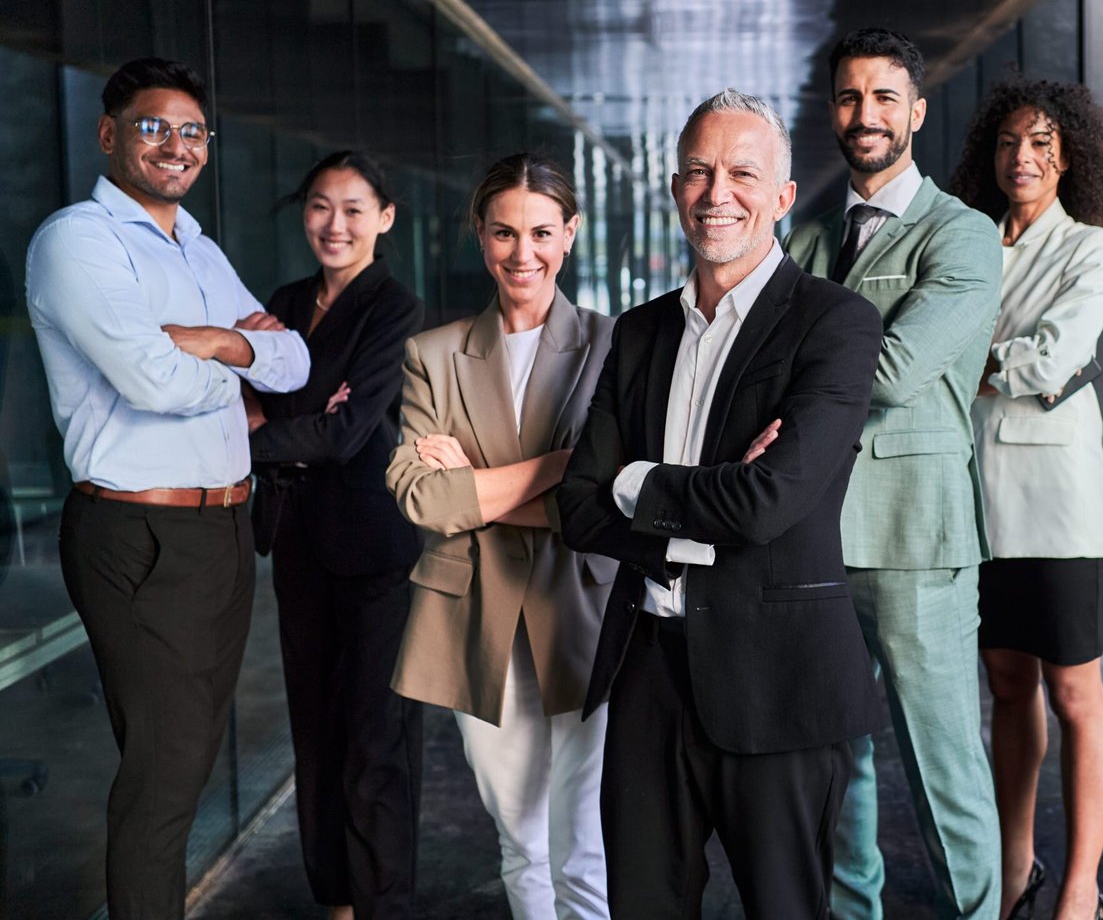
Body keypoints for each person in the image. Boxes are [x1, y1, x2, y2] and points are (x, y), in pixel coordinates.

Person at [557, 89, 884, 919]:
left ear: (781, 196)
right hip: (648, 673)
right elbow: (578, 506)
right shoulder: (636, 333)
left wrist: (639, 480)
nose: (717, 192)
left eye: (742, 172)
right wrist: (699, 504)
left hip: (778, 676)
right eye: (699, 172)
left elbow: (768, 501)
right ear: (674, 190)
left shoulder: (835, 323)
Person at [24, 56, 310, 918]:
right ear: (109, 134)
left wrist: (212, 341)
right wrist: (238, 355)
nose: (175, 145)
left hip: (222, 529)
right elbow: (152, 381)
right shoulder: (79, 239)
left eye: (192, 132)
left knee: (175, 764)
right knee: (162, 781)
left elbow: (294, 361)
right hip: (140, 535)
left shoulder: (196, 244)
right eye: (153, 126)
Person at [785, 26, 1003, 920]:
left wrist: (796, 367)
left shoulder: (963, 235)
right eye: (848, 96)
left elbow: (891, 372)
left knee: (944, 764)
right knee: (838, 760)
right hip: (811, 538)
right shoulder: (805, 241)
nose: (864, 113)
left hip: (916, 539)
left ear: (915, 111)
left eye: (883, 97)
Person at [386, 154, 615, 920]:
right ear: (479, 236)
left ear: (571, 233)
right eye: (504, 232)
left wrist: (476, 489)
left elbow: (612, 499)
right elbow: (421, 496)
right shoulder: (434, 354)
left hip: (585, 611)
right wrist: (560, 466)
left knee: (584, 843)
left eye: (543, 232)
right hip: (476, 617)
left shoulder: (616, 347)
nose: (524, 253)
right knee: (521, 840)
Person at [948, 78, 1103, 920]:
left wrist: (965, 361)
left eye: (1044, 144)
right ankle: (1017, 865)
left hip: (1057, 505)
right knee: (1008, 685)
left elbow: (1053, 359)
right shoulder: (965, 239)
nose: (1024, 157)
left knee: (1075, 691)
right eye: (1011, 142)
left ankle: (1082, 887)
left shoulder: (1092, 247)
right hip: (972, 498)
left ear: (1071, 158)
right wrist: (992, 357)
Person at [249, 151, 425, 920]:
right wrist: (306, 413)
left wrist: (283, 419)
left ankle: (380, 904)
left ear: (384, 218)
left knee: (373, 738)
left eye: (354, 208)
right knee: (314, 731)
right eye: (320, 205)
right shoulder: (285, 300)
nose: (335, 224)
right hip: (297, 542)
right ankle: (335, 900)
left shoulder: (395, 308)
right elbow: (244, 399)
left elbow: (351, 432)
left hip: (376, 547)